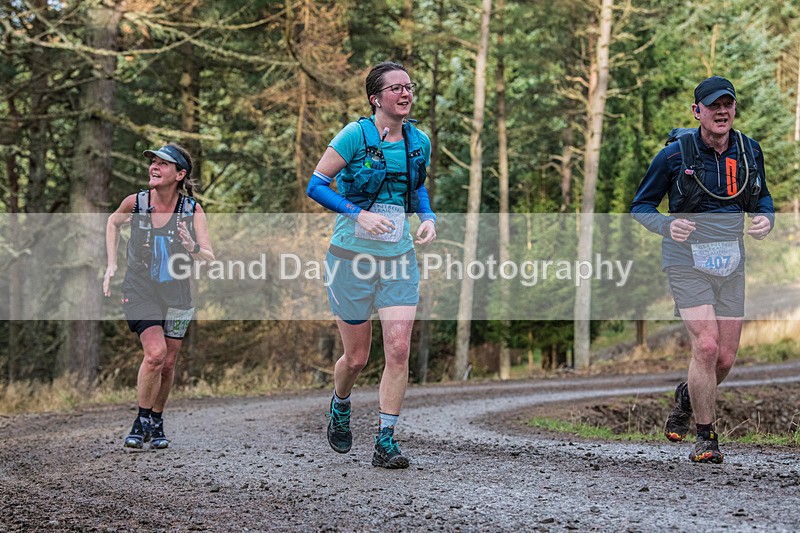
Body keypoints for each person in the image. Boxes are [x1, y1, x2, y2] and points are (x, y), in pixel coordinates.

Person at [631, 76, 774, 463]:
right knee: (706, 345)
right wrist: (666, 224)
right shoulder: (674, 155)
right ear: (698, 112)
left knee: (724, 358)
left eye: (728, 104)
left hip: (731, 262)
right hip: (686, 260)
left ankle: (686, 395)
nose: (722, 111)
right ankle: (706, 438)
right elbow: (641, 206)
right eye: (713, 106)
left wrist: (766, 218)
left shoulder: (749, 151)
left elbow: (761, 196)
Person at [306, 61, 437, 469]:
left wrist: (428, 217)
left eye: (409, 87)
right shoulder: (354, 135)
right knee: (357, 358)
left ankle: (385, 440)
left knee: (398, 347)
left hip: (398, 258)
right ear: (375, 98)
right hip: (351, 257)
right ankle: (340, 403)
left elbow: (417, 190)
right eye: (395, 88)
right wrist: (357, 213)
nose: (405, 93)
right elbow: (315, 185)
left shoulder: (419, 141)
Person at [104, 143, 214, 450]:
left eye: (163, 164)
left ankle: (157, 419)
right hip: (139, 288)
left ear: (179, 174)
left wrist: (191, 245)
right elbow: (112, 223)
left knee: (168, 361)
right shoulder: (136, 203)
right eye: (153, 161)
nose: (154, 166)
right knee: (154, 354)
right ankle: (141, 421)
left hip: (177, 292)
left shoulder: (192, 210)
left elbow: (209, 256)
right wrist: (112, 264)